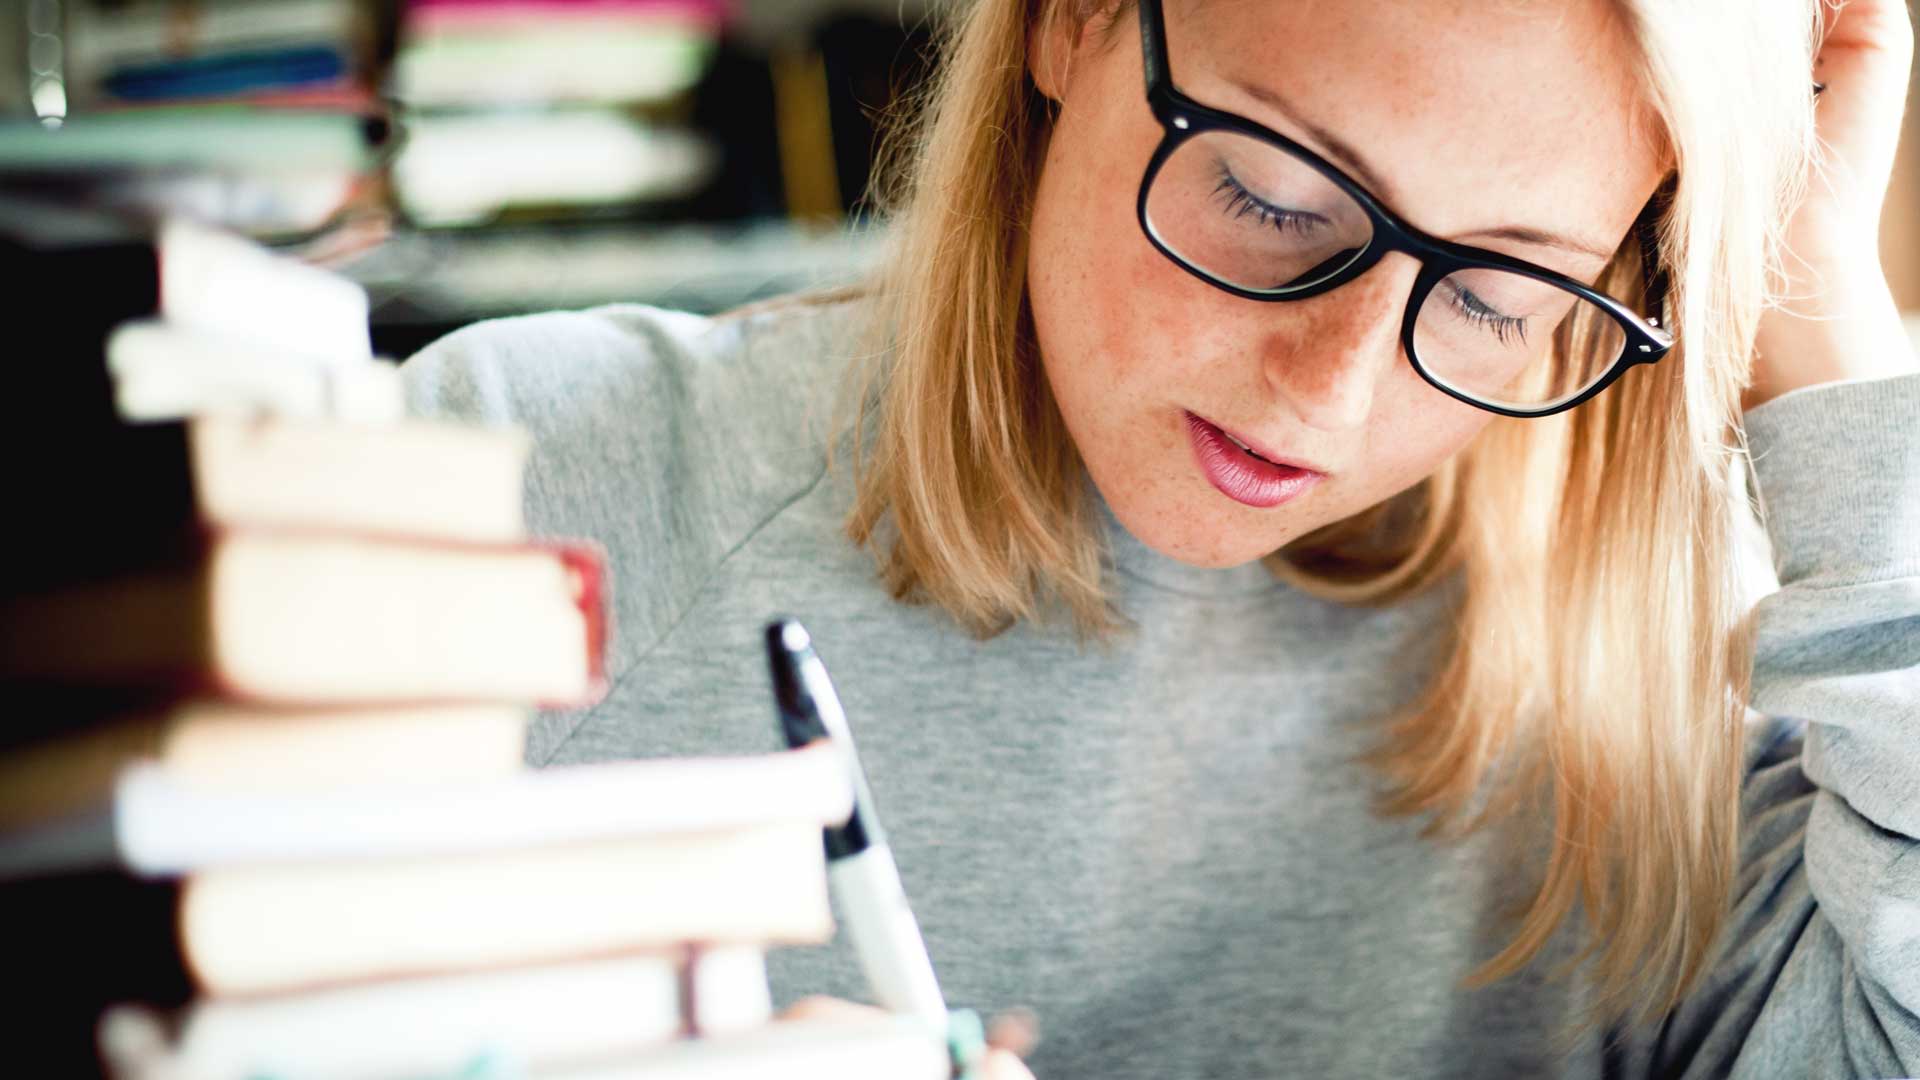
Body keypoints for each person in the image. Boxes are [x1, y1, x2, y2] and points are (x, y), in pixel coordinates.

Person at [401, 0, 1919, 1075]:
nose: (1331, 388)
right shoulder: (518, 485)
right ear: (1071, 21)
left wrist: (1827, 323)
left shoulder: (1708, 675)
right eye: (1271, 196)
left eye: (1493, 298)